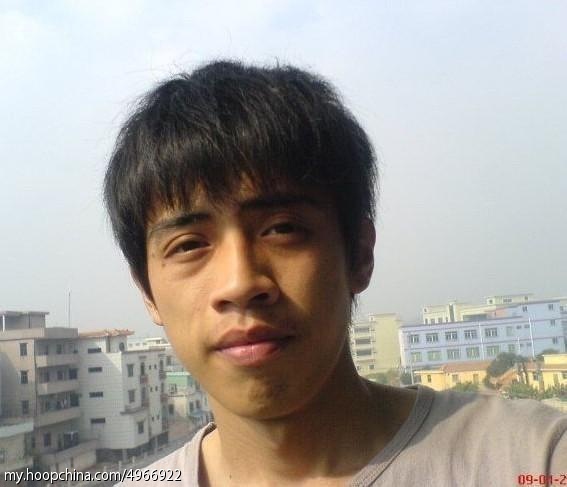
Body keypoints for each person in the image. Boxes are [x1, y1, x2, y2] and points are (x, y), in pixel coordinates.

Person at [105, 60, 567, 486]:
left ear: (359, 254)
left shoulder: (531, 458)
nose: (240, 284)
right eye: (188, 245)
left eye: (282, 229)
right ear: (147, 292)